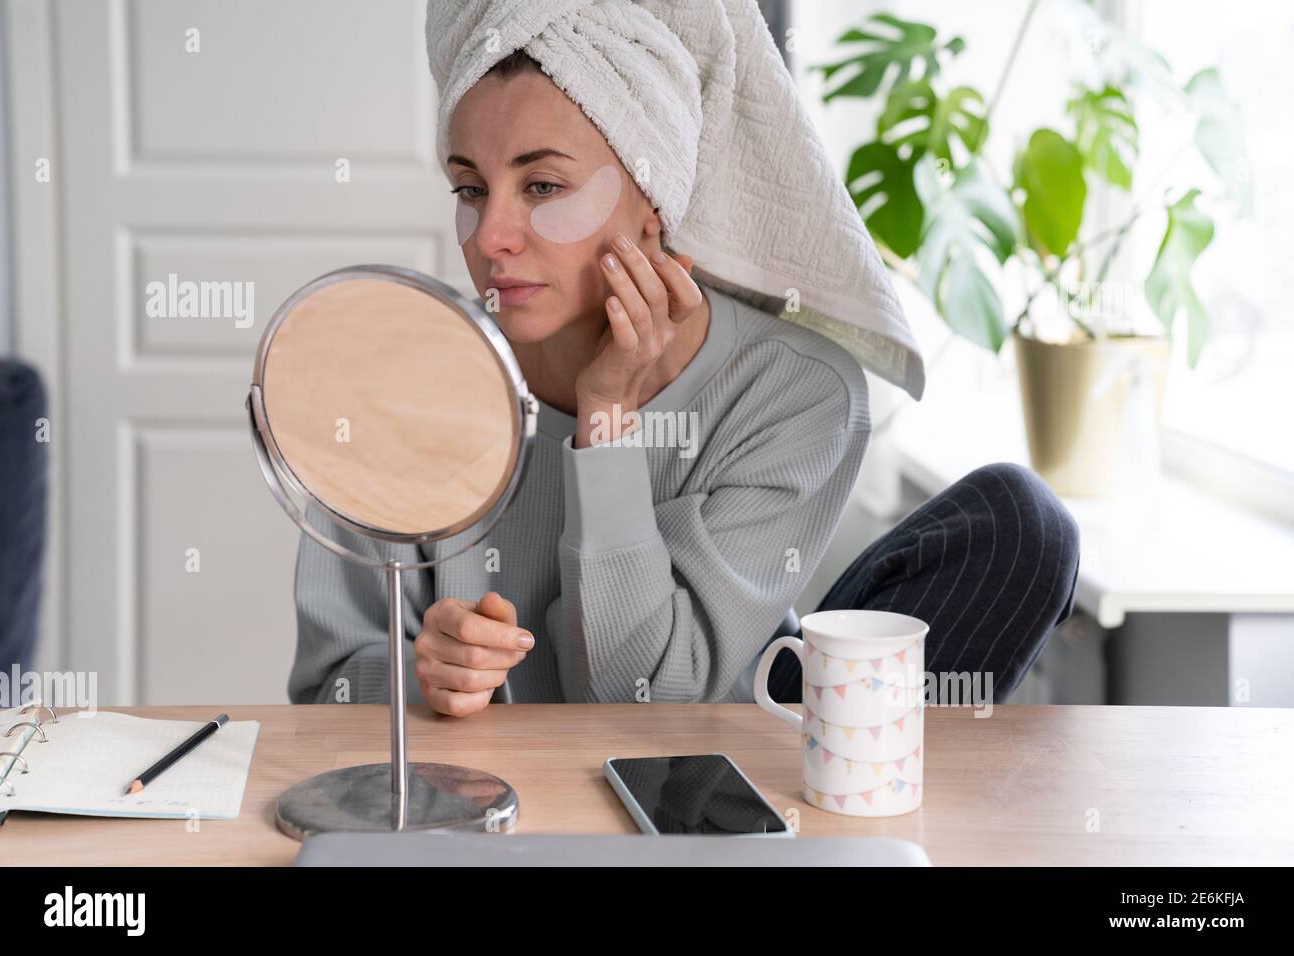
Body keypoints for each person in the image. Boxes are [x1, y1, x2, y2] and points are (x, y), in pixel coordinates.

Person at [288, 1, 1080, 716]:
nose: (492, 235)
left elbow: (643, 705)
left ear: (655, 200)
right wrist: (420, 680)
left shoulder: (796, 392)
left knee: (1024, 523)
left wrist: (607, 426)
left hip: (705, 786)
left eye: (541, 187)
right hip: (493, 814)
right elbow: (328, 692)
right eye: (470, 188)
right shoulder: (395, 380)